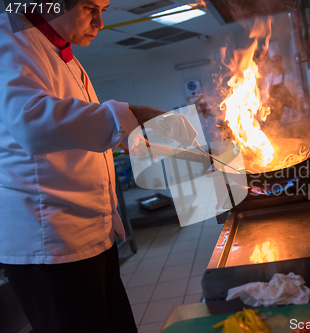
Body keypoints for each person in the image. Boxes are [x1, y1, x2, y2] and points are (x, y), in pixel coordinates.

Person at [0, 1, 197, 332]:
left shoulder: (62, 54)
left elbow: (68, 134)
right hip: (51, 243)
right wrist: (128, 116)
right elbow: (33, 124)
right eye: (91, 7)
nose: (101, 22)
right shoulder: (10, 36)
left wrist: (127, 136)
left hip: (88, 235)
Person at [261, 54, 306, 135]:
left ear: (281, 61)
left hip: (290, 117)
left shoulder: (290, 76)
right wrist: (265, 115)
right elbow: (264, 99)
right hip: (275, 119)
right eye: (272, 61)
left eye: (277, 61)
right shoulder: (268, 79)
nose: (275, 64)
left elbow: (300, 94)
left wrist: (300, 111)